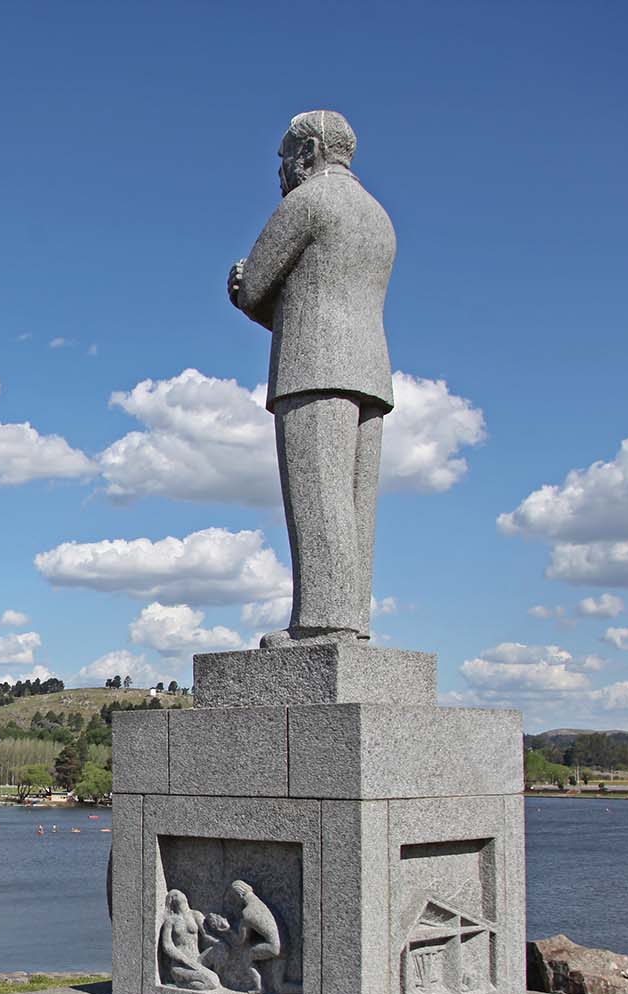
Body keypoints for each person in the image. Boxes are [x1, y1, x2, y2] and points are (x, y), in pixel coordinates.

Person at [229, 109, 395, 646]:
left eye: (283, 158)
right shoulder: (378, 216)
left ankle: (322, 622)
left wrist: (238, 287)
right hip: (370, 372)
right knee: (354, 507)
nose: (281, 171)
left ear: (309, 151)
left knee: (317, 498)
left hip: (312, 365)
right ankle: (351, 625)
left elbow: (256, 286)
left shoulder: (307, 202)